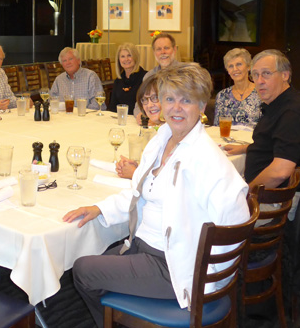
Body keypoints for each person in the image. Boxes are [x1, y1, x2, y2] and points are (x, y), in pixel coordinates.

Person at [63, 63, 250, 328]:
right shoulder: (163, 138)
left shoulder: (208, 160)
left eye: (186, 100)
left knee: (83, 269)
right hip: (143, 246)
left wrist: (202, 282)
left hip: (174, 266)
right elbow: (141, 192)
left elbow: (236, 225)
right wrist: (100, 208)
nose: (176, 107)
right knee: (96, 258)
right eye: (169, 99)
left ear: (201, 106)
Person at [225, 50, 300, 189]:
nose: (259, 81)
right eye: (255, 74)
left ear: (285, 75)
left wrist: (248, 194)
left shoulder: (292, 113)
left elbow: (280, 172)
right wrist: (245, 148)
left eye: (266, 73)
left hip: (280, 200)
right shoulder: (280, 104)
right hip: (270, 190)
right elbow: (275, 144)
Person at [115, 75, 162, 179]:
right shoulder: (163, 131)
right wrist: (140, 167)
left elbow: (169, 183)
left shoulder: (175, 134)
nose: (149, 105)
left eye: (155, 98)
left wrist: (135, 173)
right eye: (145, 100)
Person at [133, 32, 179, 121]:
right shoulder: (149, 76)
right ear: (154, 53)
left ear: (174, 50)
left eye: (166, 48)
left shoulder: (185, 74)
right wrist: (140, 114)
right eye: (158, 49)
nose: (163, 52)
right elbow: (138, 104)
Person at [213, 48, 261, 127]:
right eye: (231, 66)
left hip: (253, 139)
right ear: (228, 71)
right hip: (228, 139)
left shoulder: (261, 93)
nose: (235, 69)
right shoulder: (222, 96)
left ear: (249, 67)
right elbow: (217, 128)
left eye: (239, 64)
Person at [107, 43, 147, 112]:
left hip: (138, 119)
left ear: (135, 57)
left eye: (129, 55)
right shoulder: (118, 81)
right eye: (122, 56)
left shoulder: (145, 78)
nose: (126, 59)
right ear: (119, 60)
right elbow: (112, 107)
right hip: (120, 119)